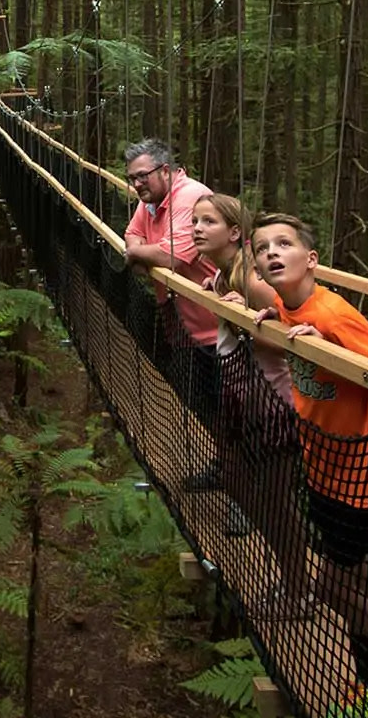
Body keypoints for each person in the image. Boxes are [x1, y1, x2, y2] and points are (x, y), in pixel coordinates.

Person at [248, 212, 368, 717]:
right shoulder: (281, 303)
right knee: (352, 585)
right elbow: (275, 313)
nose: (271, 252)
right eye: (262, 247)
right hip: (321, 464)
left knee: (332, 587)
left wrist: (328, 346)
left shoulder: (334, 316)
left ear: (310, 260)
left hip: (360, 471)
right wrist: (270, 322)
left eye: (284, 244)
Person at [190, 194, 313, 617]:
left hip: (269, 401)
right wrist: (221, 293)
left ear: (235, 232)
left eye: (208, 222)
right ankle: (294, 583)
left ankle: (299, 591)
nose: (197, 229)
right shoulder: (228, 273)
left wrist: (243, 313)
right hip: (242, 396)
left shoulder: (250, 277)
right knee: (245, 487)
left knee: (278, 505)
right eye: (194, 221)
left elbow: (283, 334)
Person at [120, 139, 222, 492]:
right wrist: (140, 251)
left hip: (219, 326)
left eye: (143, 176)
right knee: (208, 406)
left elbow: (174, 257)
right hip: (183, 320)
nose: (137, 184)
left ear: (165, 170)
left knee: (236, 415)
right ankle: (223, 470)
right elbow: (132, 234)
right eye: (132, 178)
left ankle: (245, 497)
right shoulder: (151, 202)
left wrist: (137, 255)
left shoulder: (191, 197)